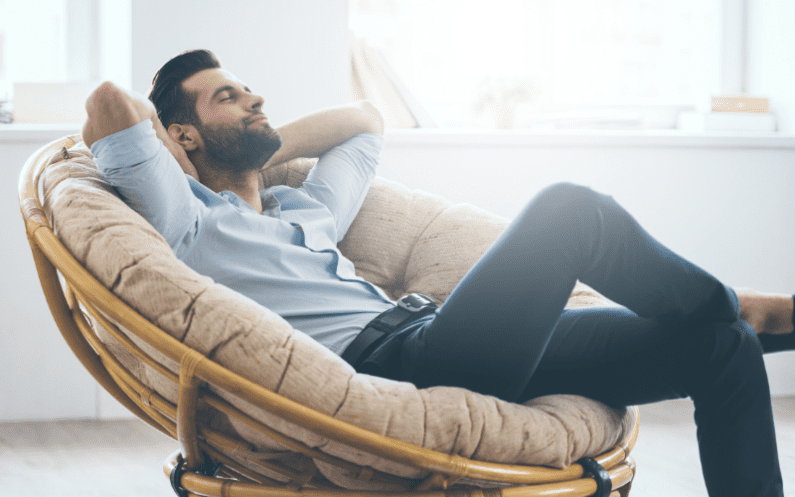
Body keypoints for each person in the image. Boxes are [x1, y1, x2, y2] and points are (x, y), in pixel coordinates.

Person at [81, 50, 793, 497]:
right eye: (227, 98)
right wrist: (180, 154)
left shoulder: (305, 205)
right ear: (180, 135)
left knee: (717, 347)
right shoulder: (191, 221)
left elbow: (365, 121)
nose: (253, 100)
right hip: (400, 363)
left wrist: (257, 148)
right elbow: (109, 102)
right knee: (569, 210)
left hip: (444, 335)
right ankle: (741, 304)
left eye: (247, 89)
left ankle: (735, 321)